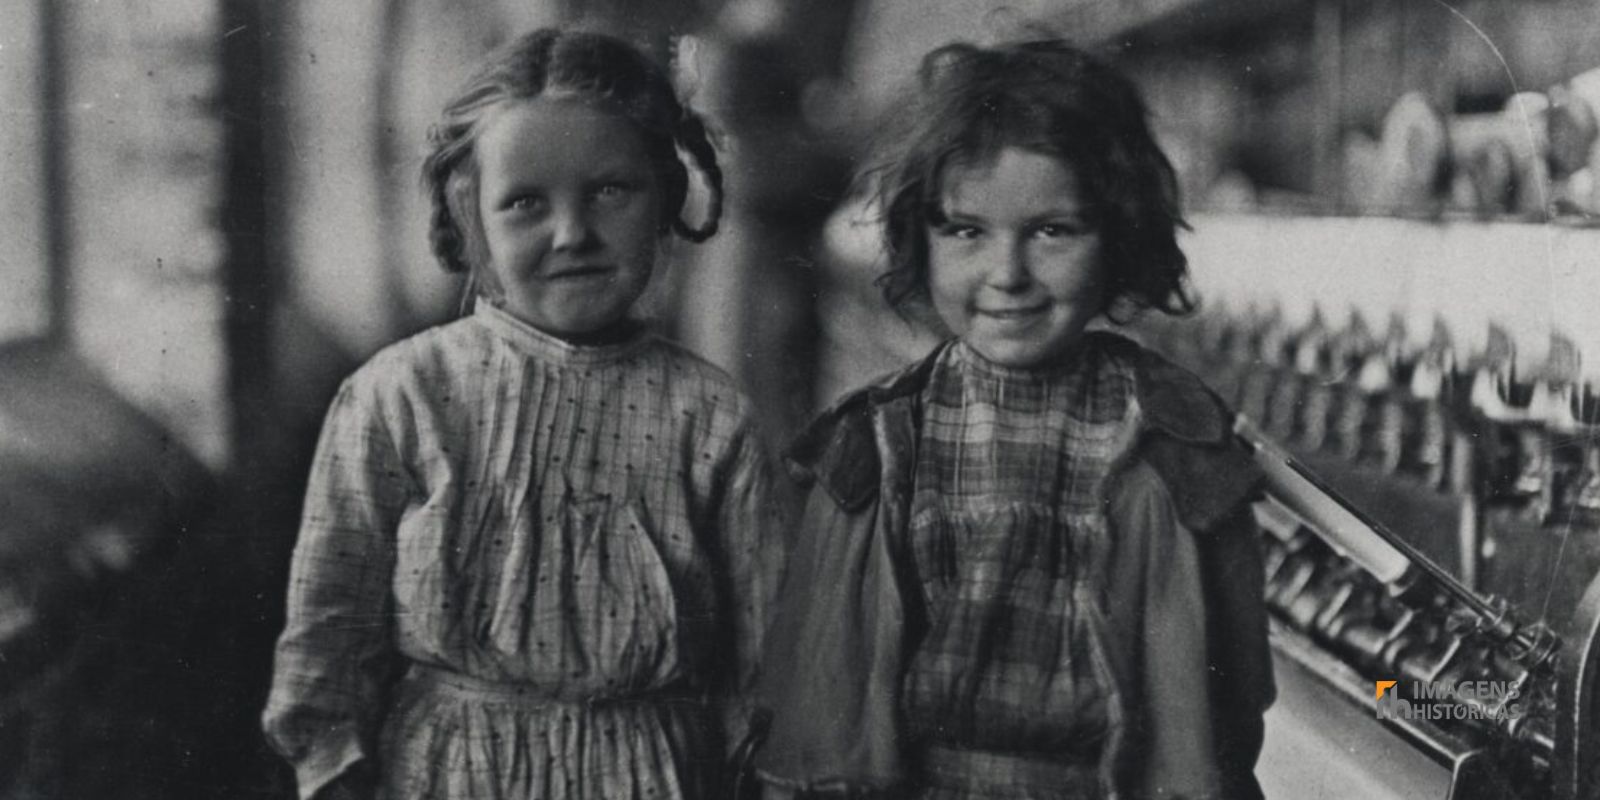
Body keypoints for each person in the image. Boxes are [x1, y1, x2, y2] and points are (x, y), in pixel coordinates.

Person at [262, 28, 784, 800]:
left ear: (666, 199)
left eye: (610, 191)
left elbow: (761, 649)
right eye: (526, 203)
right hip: (449, 771)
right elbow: (328, 626)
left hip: (657, 774)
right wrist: (330, 761)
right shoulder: (402, 396)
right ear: (471, 217)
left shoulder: (710, 416)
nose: (572, 234)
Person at [756, 39, 1275, 799]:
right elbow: (817, 704)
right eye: (966, 230)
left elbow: (1230, 705)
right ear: (918, 237)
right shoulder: (880, 442)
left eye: (1052, 231)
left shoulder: (1178, 441)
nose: (1007, 275)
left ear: (1119, 233)